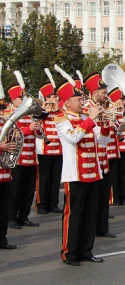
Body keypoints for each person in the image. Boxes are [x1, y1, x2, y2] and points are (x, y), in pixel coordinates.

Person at [55, 74, 109, 266]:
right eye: (78, 100)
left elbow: (102, 141)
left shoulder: (87, 117)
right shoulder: (61, 119)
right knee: (74, 214)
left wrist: (104, 125)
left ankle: (86, 250)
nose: (82, 103)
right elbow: (73, 137)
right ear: (67, 102)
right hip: (75, 173)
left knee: (90, 213)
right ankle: (69, 253)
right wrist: (91, 120)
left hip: (93, 172)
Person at [83, 72, 116, 239]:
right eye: (103, 92)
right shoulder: (85, 108)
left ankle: (102, 228)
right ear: (94, 92)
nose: (106, 95)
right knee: (92, 199)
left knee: (103, 196)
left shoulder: (104, 108)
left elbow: (104, 137)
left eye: (106, 92)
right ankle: (91, 229)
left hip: (103, 158)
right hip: (89, 160)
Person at [6, 72, 41, 229]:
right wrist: (28, 129)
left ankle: (24, 216)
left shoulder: (29, 115)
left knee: (28, 191)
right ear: (14, 100)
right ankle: (12, 217)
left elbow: (38, 135)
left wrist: (39, 130)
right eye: (21, 98)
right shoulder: (9, 115)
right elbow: (11, 133)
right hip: (17, 159)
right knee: (15, 191)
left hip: (30, 158)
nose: (24, 101)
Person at [35, 78, 64, 215]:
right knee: (43, 179)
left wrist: (57, 110)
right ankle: (41, 204)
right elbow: (39, 117)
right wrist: (46, 107)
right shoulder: (41, 110)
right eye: (52, 96)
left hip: (58, 150)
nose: (55, 98)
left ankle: (53, 203)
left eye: (55, 96)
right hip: (44, 150)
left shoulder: (61, 111)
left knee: (55, 179)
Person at [0, 99, 18, 249]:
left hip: (5, 173)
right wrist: (2, 148)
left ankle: (2, 239)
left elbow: (13, 143)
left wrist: (14, 141)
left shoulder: (4, 124)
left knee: (3, 210)